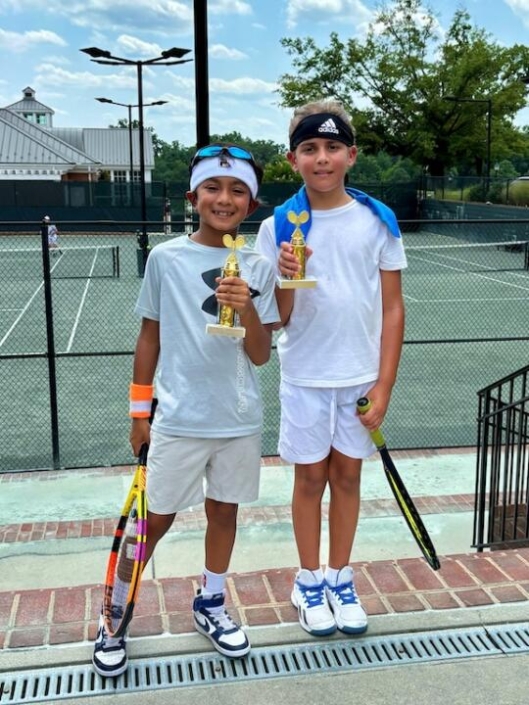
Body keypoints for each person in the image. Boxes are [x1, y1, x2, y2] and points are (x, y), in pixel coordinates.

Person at [92, 144, 280, 677]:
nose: (224, 198)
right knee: (153, 521)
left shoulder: (259, 266)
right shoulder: (165, 258)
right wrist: (139, 414)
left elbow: (261, 354)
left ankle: (210, 602)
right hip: (176, 419)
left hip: (238, 420)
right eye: (213, 188)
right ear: (193, 197)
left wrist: (247, 308)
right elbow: (148, 337)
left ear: (251, 204)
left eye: (237, 190)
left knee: (225, 513)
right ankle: (114, 614)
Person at [255, 100, 407, 638]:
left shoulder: (377, 221)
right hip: (305, 377)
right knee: (309, 480)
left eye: (333, 147)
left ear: (351, 155)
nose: (322, 158)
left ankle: (341, 577)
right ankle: (309, 581)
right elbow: (277, 318)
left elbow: (393, 308)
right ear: (293, 159)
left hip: (360, 378)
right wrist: (284, 275)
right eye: (310, 148)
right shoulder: (278, 225)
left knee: (347, 478)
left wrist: (384, 385)